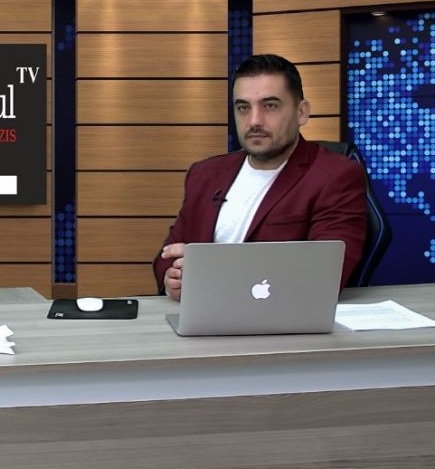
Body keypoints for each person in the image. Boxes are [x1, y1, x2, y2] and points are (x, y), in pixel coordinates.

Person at [154, 54, 366, 299]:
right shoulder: (204, 174)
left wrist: (211, 273)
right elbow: (167, 255)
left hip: (280, 318)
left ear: (301, 112)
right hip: (201, 314)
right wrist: (173, 278)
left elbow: (324, 274)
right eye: (243, 107)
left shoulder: (335, 176)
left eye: (270, 105)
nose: (254, 121)